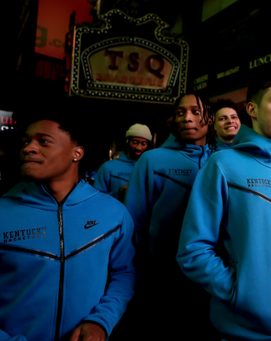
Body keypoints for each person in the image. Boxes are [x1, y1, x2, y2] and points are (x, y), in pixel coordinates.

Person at [177, 76, 271, 341]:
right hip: (245, 332)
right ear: (252, 110)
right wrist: (239, 291)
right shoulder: (222, 165)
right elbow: (193, 250)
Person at [0, 111, 137, 341]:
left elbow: (124, 274)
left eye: (43, 141)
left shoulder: (114, 213)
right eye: (25, 141)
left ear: (77, 153)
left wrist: (101, 322)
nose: (29, 148)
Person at [123, 92, 215, 339]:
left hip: (208, 279)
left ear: (210, 118)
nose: (187, 118)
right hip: (161, 277)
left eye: (196, 112)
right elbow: (134, 221)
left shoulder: (220, 161)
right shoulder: (152, 160)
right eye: (180, 112)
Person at [94, 123, 152, 201]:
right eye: (135, 142)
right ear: (127, 140)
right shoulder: (108, 167)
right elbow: (96, 199)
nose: (139, 147)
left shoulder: (150, 168)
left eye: (143, 144)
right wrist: (119, 193)